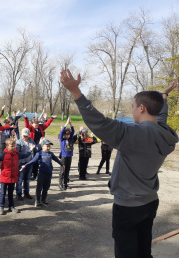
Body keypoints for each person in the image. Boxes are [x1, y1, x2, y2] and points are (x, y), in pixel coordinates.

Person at [60, 69, 178, 258]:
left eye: (132, 106)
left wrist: (76, 92)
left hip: (128, 207)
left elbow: (100, 123)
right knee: (143, 249)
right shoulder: (164, 132)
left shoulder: (133, 134)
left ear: (141, 108)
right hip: (150, 202)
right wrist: (163, 95)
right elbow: (160, 117)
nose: (131, 110)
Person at [0, 138, 31, 215]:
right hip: (5, 177)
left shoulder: (17, 154)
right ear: (7, 146)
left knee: (11, 192)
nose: (13, 147)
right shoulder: (3, 154)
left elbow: (25, 155)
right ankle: (1, 206)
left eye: (14, 146)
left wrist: (31, 150)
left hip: (13, 177)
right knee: (3, 193)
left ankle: (11, 206)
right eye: (12, 146)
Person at [21, 139, 64, 207]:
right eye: (47, 146)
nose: (49, 147)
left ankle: (43, 200)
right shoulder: (39, 153)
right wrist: (25, 165)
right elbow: (33, 161)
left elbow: (56, 159)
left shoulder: (50, 154)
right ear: (42, 146)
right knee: (39, 187)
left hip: (49, 173)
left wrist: (62, 164)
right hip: (41, 173)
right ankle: (37, 201)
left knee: (46, 187)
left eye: (49, 146)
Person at [21, 113, 56, 180]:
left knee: (38, 160)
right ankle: (30, 173)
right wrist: (26, 118)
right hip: (33, 145)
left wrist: (51, 118)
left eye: (37, 123)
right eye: (35, 123)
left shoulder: (41, 127)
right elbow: (26, 125)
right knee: (32, 160)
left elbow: (47, 124)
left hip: (40, 145)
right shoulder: (30, 128)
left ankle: (35, 174)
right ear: (32, 123)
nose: (36, 125)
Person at [16, 128, 36, 200]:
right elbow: (18, 153)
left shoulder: (31, 141)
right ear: (21, 135)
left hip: (29, 163)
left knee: (27, 180)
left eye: (26, 136)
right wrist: (30, 150)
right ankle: (18, 194)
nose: (25, 137)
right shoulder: (18, 142)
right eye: (24, 136)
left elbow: (36, 149)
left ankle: (26, 193)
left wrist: (38, 145)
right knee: (20, 179)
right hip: (21, 163)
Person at [58, 117, 75, 190]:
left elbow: (73, 131)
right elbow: (61, 132)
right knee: (62, 171)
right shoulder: (62, 140)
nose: (68, 136)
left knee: (67, 171)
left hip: (69, 156)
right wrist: (66, 124)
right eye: (66, 134)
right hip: (64, 157)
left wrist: (70, 124)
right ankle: (60, 184)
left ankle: (65, 183)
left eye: (69, 134)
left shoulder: (70, 139)